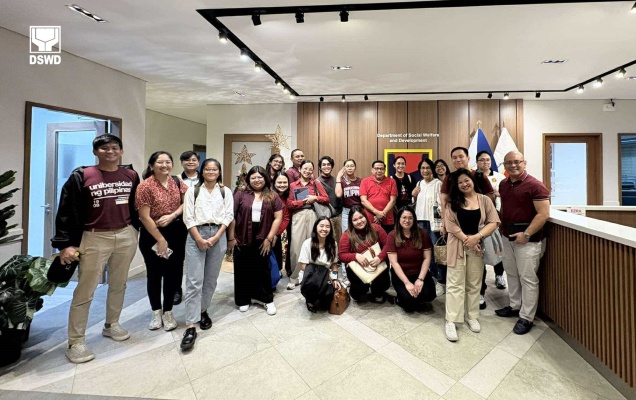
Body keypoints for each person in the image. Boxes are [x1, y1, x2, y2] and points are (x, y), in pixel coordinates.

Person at [52, 134, 140, 364]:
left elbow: (136, 206)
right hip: (93, 237)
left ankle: (112, 324)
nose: (110, 152)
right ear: (95, 152)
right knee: (85, 289)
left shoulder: (130, 175)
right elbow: (66, 211)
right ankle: (76, 341)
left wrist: (136, 231)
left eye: (114, 148)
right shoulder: (81, 176)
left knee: (119, 284)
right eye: (104, 148)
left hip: (125, 234)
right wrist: (66, 244)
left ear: (121, 151)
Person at [181, 158, 233, 350]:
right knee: (194, 281)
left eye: (215, 169)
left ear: (219, 172)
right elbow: (188, 217)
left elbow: (228, 216)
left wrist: (217, 237)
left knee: (210, 279)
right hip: (196, 235)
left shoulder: (225, 191)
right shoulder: (193, 191)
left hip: (218, 235)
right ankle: (191, 324)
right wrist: (200, 239)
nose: (211, 172)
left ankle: (203, 311)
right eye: (208, 169)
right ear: (202, 172)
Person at [495, 151, 550, 335]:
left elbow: (543, 214)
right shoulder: (503, 184)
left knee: (528, 278)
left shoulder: (535, 186)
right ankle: (514, 305)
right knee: (511, 272)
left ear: (524, 163)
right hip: (507, 236)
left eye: (517, 162)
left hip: (528, 240)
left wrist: (526, 234)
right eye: (508, 163)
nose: (513, 165)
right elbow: (504, 208)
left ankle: (526, 317)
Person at [443, 169, 500, 342]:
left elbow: (494, 221)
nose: (464, 184)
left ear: (472, 180)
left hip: (477, 246)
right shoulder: (452, 202)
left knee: (474, 283)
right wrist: (468, 240)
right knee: (455, 283)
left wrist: (477, 238)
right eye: (460, 182)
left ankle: (472, 316)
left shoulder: (484, 200)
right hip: (457, 246)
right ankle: (451, 320)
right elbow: (450, 225)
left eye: (466, 180)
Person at [136, 151, 188, 331]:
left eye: (168, 162)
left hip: (176, 232)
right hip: (152, 234)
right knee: (155, 274)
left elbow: (186, 203)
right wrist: (160, 239)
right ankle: (156, 312)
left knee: (173, 274)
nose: (164, 165)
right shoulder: (145, 186)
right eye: (160, 162)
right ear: (151, 166)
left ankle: (168, 311)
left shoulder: (176, 181)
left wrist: (172, 215)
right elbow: (144, 217)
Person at [228, 166, 283, 315]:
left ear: (265, 178)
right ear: (248, 179)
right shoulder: (240, 194)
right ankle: (243, 299)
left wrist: (269, 238)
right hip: (241, 237)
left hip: (263, 236)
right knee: (242, 269)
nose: (257, 180)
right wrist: (231, 238)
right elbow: (231, 216)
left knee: (263, 269)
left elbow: (278, 218)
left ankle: (266, 299)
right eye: (253, 177)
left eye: (260, 177)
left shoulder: (272, 195)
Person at [286, 160, 330, 289]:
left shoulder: (316, 183)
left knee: (313, 244)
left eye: (310, 169)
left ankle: (311, 274)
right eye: (305, 168)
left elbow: (326, 199)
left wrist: (314, 198)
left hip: (313, 214)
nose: (307, 171)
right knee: (295, 247)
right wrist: (303, 202)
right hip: (298, 215)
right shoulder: (293, 185)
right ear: (300, 169)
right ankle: (294, 277)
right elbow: (289, 203)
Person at [385, 206, 436, 313]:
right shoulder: (392, 236)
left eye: (410, 218)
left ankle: (416, 297)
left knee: (429, 295)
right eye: (404, 217)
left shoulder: (422, 234)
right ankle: (402, 298)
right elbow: (394, 263)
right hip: (401, 275)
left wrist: (420, 279)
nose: (407, 221)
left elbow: (427, 258)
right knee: (408, 303)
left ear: (414, 219)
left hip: (419, 272)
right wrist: (407, 283)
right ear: (398, 219)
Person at [475, 150, 508, 310]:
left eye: (488, 160)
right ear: (476, 162)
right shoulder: (473, 177)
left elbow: (505, 195)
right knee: (479, 256)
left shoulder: (500, 177)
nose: (485, 163)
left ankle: (499, 275)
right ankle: (480, 292)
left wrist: (497, 194)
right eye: (482, 160)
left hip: (495, 218)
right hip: (477, 221)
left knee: (496, 250)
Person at [338, 205, 390, 302]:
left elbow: (388, 245)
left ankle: (377, 290)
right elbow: (341, 255)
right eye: (355, 220)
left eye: (361, 217)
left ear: (365, 217)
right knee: (358, 294)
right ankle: (361, 289)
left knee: (382, 285)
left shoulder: (376, 228)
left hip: (376, 265)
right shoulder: (346, 235)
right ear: (351, 222)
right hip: (359, 268)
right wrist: (356, 256)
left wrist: (380, 257)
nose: (359, 221)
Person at [412, 158, 445, 296]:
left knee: (437, 253)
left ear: (432, 169)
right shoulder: (419, 183)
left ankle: (441, 282)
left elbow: (443, 205)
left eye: (427, 168)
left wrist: (444, 223)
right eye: (422, 168)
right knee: (425, 252)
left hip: (434, 224)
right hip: (420, 222)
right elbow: (416, 203)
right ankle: (430, 278)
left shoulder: (438, 184)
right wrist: (413, 195)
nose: (425, 170)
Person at [174, 151, 201, 305]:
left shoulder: (204, 178)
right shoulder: (175, 179)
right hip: (181, 223)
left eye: (193, 160)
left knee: (198, 257)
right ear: (181, 162)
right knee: (178, 258)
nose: (190, 162)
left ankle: (198, 289)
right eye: (186, 160)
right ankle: (177, 289)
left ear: (198, 162)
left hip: (200, 222)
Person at [298, 217, 341, 312]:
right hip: (310, 276)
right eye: (321, 226)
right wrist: (322, 273)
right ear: (316, 228)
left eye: (327, 226)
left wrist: (335, 279)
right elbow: (303, 266)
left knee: (328, 298)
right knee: (313, 283)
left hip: (327, 276)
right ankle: (310, 299)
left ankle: (318, 298)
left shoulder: (333, 244)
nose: (324, 229)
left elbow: (334, 265)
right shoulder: (307, 243)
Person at [334, 158, 361, 287]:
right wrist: (339, 176)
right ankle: (345, 274)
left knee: (360, 239)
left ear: (355, 167)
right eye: (347, 166)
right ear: (344, 168)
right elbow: (338, 194)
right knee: (346, 240)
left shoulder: (361, 181)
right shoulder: (342, 182)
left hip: (360, 212)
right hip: (346, 212)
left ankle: (360, 269)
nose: (349, 168)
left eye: (351, 165)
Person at [360, 160, 398, 233]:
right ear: (372, 170)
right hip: (370, 219)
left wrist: (382, 214)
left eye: (382, 168)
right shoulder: (365, 181)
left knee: (387, 241)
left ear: (385, 170)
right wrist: (376, 212)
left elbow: (393, 201)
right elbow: (363, 201)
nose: (379, 171)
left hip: (387, 219)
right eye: (377, 168)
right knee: (371, 242)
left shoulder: (391, 181)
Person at [317, 155, 342, 244]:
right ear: (320, 167)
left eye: (328, 164)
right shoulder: (316, 182)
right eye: (323, 165)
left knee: (339, 241)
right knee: (327, 242)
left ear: (331, 167)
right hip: (325, 217)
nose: (326, 166)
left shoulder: (338, 180)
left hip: (339, 216)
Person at [272, 172, 291, 276]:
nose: (282, 185)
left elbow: (286, 218)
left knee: (277, 250)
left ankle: (277, 273)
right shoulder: (269, 195)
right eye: (279, 182)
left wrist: (276, 233)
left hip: (277, 230)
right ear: (274, 183)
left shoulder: (287, 196)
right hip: (266, 229)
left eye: (285, 182)